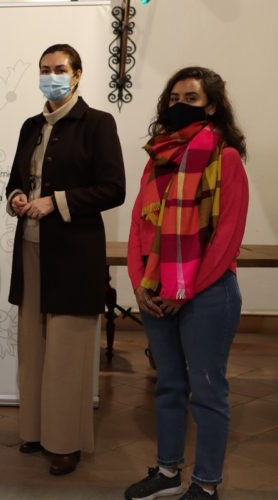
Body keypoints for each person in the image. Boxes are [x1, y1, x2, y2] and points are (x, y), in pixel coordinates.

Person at [124, 67, 248, 500]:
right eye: (174, 97)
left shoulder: (225, 158)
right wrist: (140, 284)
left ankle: (206, 483)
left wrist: (185, 290)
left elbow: (227, 236)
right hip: (157, 293)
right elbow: (141, 225)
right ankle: (168, 472)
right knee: (169, 385)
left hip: (207, 293)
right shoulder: (156, 157)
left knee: (209, 390)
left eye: (191, 98)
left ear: (211, 105)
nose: (180, 104)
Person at [5, 43, 125, 475]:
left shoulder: (97, 124)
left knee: (66, 354)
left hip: (74, 255)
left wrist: (56, 202)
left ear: (76, 75)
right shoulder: (30, 126)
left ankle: (66, 442)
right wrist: (17, 196)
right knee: (32, 347)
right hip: (32, 251)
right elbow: (17, 180)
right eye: (44, 69)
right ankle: (35, 431)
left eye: (59, 69)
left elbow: (114, 189)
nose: (51, 75)